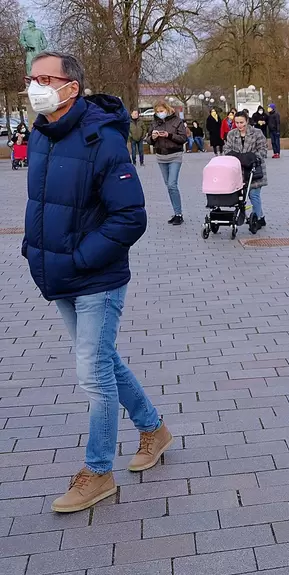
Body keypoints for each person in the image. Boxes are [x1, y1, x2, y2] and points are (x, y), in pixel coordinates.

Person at [22, 52, 171, 513]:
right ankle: (154, 429)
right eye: (32, 78)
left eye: (46, 78)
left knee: (92, 375)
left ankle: (98, 471)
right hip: (58, 273)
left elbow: (131, 216)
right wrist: (35, 251)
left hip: (96, 277)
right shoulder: (42, 134)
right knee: (103, 360)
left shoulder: (102, 139)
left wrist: (84, 258)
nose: (35, 86)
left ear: (72, 87)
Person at [223, 112, 268, 228]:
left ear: (247, 121)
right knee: (240, 198)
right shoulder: (232, 134)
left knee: (254, 195)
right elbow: (227, 150)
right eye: (236, 123)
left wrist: (249, 158)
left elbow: (263, 151)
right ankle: (261, 216)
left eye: (241, 122)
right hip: (238, 172)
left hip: (254, 170)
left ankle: (257, 219)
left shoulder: (257, 133)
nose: (239, 125)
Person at [149, 101, 187, 225]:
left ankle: (179, 214)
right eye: (158, 112)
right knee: (169, 186)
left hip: (175, 155)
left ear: (167, 110)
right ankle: (176, 212)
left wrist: (169, 135)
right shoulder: (154, 122)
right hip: (161, 156)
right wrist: (152, 138)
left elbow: (183, 138)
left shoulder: (177, 121)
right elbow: (148, 139)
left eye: (161, 111)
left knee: (172, 184)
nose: (160, 113)